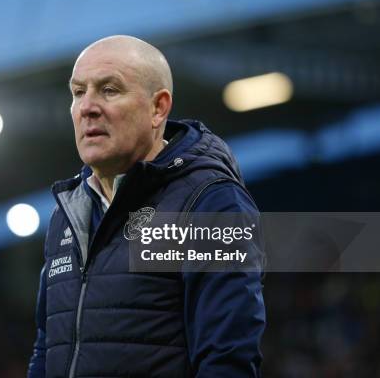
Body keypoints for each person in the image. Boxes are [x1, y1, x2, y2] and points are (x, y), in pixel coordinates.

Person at [27, 35, 265, 377]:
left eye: (109, 89)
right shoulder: (67, 214)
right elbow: (46, 348)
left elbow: (227, 361)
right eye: (78, 92)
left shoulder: (210, 203)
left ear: (158, 108)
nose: (87, 107)